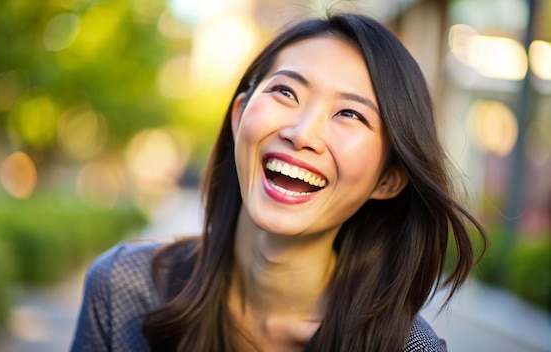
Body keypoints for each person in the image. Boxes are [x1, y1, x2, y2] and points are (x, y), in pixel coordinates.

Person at [71, 12, 487, 352]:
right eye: (286, 92)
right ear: (239, 116)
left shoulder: (408, 349)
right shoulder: (123, 288)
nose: (302, 134)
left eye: (350, 114)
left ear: (389, 180)